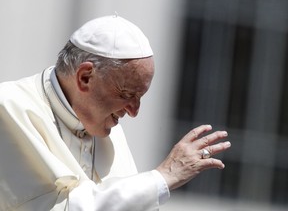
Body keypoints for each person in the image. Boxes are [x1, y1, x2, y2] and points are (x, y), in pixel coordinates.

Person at [0, 15, 231, 210]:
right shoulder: (9, 107)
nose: (133, 112)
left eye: (140, 97)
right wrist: (162, 177)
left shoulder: (107, 128)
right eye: (127, 94)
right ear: (85, 77)